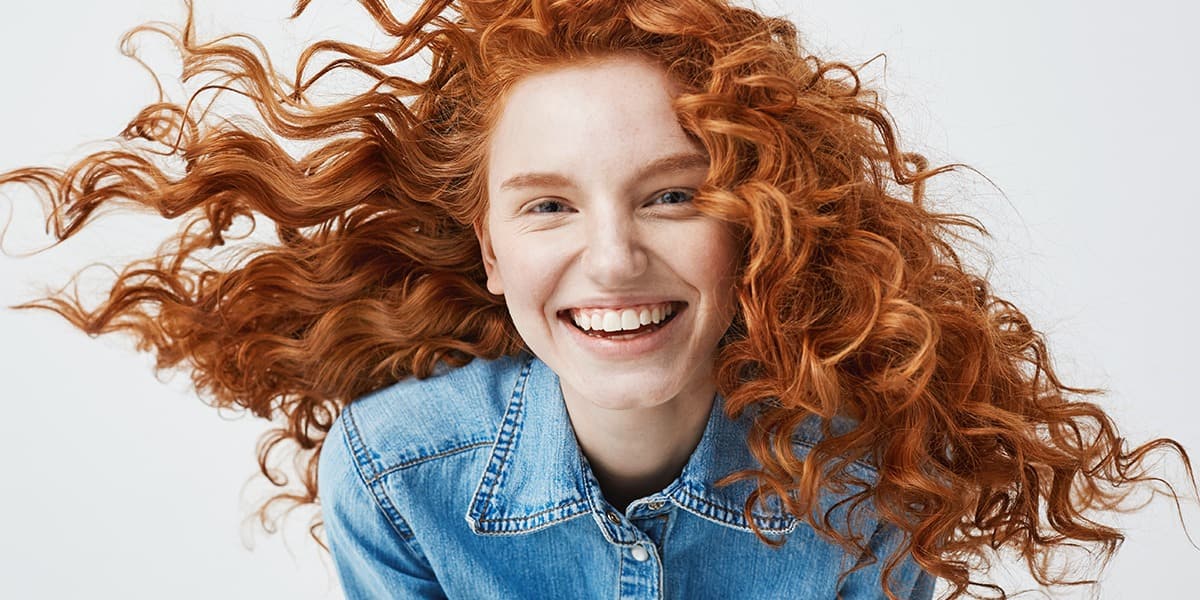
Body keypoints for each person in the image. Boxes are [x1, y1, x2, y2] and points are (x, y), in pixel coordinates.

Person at [1, 0, 1194, 598]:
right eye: (550, 206)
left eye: (672, 196)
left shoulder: (863, 479)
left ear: (754, 225)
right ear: (490, 251)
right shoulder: (393, 471)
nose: (614, 260)